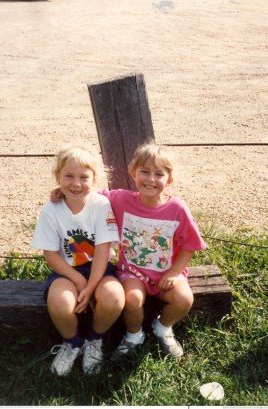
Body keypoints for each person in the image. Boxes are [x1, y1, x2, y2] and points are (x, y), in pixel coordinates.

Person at [106, 143, 206, 359]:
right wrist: (64, 192)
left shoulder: (177, 208)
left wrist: (174, 273)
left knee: (183, 299)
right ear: (133, 172)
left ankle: (162, 328)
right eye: (144, 171)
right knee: (132, 299)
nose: (150, 179)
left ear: (169, 180)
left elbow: (190, 245)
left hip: (166, 274)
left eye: (159, 174)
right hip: (132, 272)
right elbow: (90, 193)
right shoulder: (120, 199)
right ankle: (134, 335)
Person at [31, 145, 125, 376]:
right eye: (69, 176)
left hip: (100, 269)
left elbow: (102, 250)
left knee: (114, 297)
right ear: (58, 177)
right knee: (60, 302)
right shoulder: (51, 209)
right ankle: (72, 342)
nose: (76, 183)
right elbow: (50, 254)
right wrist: (79, 281)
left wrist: (91, 286)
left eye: (84, 177)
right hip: (66, 271)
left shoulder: (100, 205)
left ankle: (94, 339)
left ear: (94, 179)